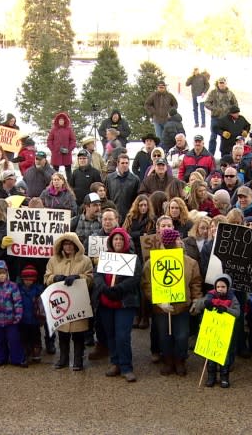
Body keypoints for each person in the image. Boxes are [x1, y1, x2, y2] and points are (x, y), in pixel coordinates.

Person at [142, 229, 202, 376]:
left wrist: (196, 300)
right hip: (162, 308)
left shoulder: (190, 262)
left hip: (182, 306)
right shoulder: (152, 263)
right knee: (164, 335)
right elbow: (147, 285)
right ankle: (168, 360)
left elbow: (195, 283)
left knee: (182, 335)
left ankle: (180, 359)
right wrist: (158, 301)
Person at [92, 227, 142, 382]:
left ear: (126, 241)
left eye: (121, 239)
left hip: (124, 302)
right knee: (111, 334)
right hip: (106, 301)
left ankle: (126, 366)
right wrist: (104, 288)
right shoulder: (105, 257)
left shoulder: (132, 258)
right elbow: (97, 275)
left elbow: (135, 278)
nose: (118, 241)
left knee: (122, 336)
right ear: (111, 241)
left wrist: (119, 289)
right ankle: (115, 363)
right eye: (115, 239)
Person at [45, 233, 93, 371]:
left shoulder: (85, 260)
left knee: (78, 334)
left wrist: (78, 277)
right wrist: (55, 278)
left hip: (78, 302)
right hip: (60, 303)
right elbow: (46, 277)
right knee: (62, 334)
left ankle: (78, 360)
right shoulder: (53, 260)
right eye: (65, 244)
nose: (68, 247)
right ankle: (63, 359)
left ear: (76, 245)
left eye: (71, 244)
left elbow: (90, 279)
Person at [204, 77, 238, 157]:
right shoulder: (213, 93)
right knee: (213, 137)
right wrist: (215, 109)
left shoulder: (230, 93)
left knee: (227, 137)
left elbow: (235, 105)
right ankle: (210, 156)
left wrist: (232, 113)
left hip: (226, 120)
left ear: (226, 84)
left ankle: (226, 156)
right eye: (220, 83)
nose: (221, 84)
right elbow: (206, 103)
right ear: (218, 83)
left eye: (223, 83)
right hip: (215, 118)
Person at [105, 153, 140, 221]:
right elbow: (107, 196)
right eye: (122, 163)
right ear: (118, 164)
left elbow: (137, 198)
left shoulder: (135, 179)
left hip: (129, 214)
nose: (125, 165)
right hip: (113, 214)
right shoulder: (109, 178)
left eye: (127, 163)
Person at [46, 112, 76, 179]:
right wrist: (53, 149)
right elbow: (49, 140)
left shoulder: (69, 129)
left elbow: (73, 140)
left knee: (68, 170)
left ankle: (70, 184)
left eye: (62, 120)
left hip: (67, 154)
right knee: (55, 171)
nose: (61, 121)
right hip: (56, 154)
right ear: (57, 121)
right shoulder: (54, 130)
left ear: (65, 121)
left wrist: (69, 149)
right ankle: (54, 183)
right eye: (60, 120)